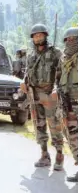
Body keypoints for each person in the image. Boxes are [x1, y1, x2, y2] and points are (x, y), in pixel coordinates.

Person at [21, 23, 64, 171]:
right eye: (35, 36)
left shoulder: (56, 53)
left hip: (50, 94)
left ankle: (59, 154)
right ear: (32, 38)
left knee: (55, 125)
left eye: (40, 35)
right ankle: (44, 154)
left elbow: (62, 74)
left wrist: (57, 90)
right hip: (35, 94)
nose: (38, 38)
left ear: (46, 36)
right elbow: (27, 72)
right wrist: (24, 82)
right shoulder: (31, 55)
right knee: (39, 125)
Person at [53, 27, 78, 182]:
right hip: (66, 102)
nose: (70, 41)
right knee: (71, 134)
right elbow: (57, 78)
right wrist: (56, 89)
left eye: (74, 39)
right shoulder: (63, 58)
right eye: (68, 39)